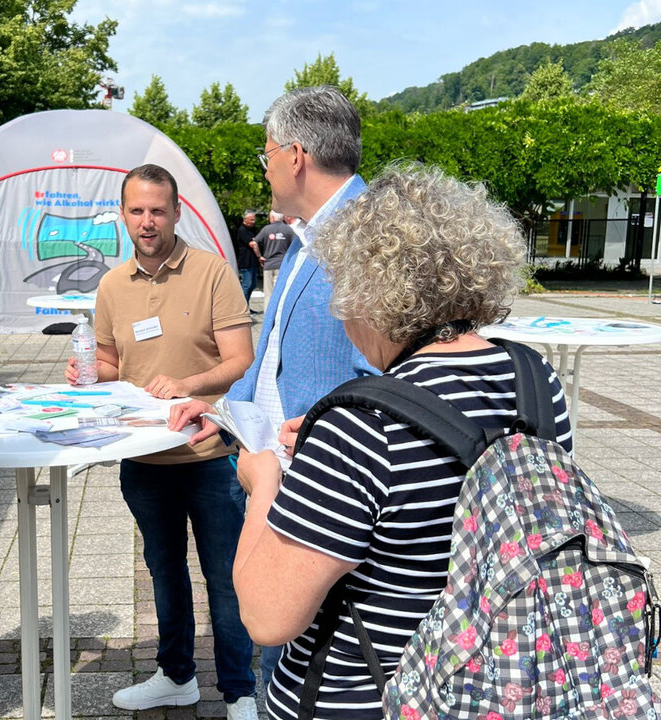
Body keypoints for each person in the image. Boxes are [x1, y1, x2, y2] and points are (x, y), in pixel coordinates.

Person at [233, 163, 574, 720]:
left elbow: (268, 616)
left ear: (372, 293)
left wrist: (263, 485)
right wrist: (327, 459)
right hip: (496, 684)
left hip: (369, 698)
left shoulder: (360, 424)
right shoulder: (537, 381)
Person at [169, 84, 373, 685]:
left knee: (308, 659)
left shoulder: (367, 239)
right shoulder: (310, 233)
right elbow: (274, 358)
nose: (265, 169)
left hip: (322, 489)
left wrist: (328, 429)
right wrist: (223, 415)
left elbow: (393, 373)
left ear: (296, 155)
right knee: (281, 664)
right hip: (270, 469)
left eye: (266, 155)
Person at [64, 164, 259, 720]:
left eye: (157, 210)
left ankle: (240, 691)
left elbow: (239, 360)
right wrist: (88, 374)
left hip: (209, 453)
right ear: (123, 215)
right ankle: (177, 677)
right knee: (164, 569)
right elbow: (108, 362)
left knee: (224, 577)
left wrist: (187, 385)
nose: (147, 222)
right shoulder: (111, 285)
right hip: (142, 457)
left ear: (176, 212)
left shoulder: (212, 273)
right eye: (137, 211)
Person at [253, 211, 295, 311]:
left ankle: (268, 315)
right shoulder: (288, 230)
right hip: (282, 265)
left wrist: (259, 256)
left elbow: (254, 243)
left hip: (268, 265)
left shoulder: (266, 229)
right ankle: (279, 313)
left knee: (268, 293)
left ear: (272, 217)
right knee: (280, 292)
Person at [234, 209, 261, 308]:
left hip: (253, 262)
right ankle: (243, 308)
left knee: (253, 285)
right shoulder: (242, 230)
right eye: (251, 220)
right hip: (245, 262)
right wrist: (259, 256)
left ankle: (247, 306)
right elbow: (253, 244)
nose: (253, 222)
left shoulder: (253, 230)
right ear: (245, 219)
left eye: (254, 220)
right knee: (247, 285)